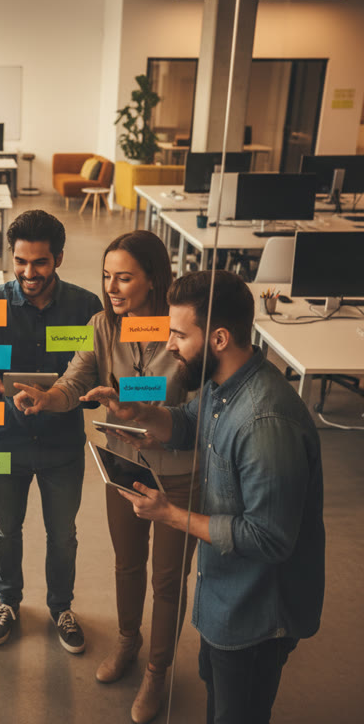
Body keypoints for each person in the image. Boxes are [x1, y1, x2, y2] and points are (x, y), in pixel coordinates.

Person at [92, 270, 325, 724]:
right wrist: (136, 413)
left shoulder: (265, 422)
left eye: (179, 334)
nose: (171, 345)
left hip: (257, 614)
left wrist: (171, 515)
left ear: (218, 337)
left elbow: (270, 538)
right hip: (223, 597)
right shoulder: (222, 385)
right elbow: (185, 423)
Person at [15, 230, 197, 724]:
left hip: (177, 472)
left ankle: (158, 671)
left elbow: (201, 406)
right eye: (106, 277)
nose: (111, 288)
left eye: (124, 278)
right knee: (127, 563)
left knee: (168, 578)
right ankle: (127, 642)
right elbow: (77, 376)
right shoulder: (102, 325)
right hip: (122, 464)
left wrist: (160, 428)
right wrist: (49, 397)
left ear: (154, 279)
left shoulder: (182, 328)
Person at [0, 209, 102, 653]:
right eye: (20, 262)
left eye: (39, 262)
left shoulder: (87, 309)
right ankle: (8, 601)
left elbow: (94, 380)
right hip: (5, 442)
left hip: (63, 445)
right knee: (6, 529)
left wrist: (89, 395)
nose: (28, 272)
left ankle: (61, 606)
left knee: (62, 533)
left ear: (58, 258)